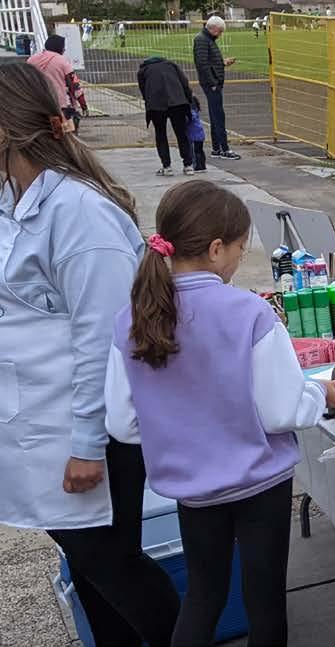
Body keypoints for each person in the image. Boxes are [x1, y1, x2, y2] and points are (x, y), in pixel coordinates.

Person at [106, 180, 335, 647]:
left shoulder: (131, 318)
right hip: (260, 484)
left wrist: (177, 429)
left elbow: (122, 422)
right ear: (217, 249)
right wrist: (321, 395)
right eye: (239, 249)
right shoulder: (249, 313)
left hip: (193, 490)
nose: (239, 259)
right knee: (265, 601)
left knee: (203, 595)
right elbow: (280, 411)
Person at [0, 62, 180, 647]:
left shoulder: (78, 213)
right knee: (91, 568)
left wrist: (85, 446)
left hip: (88, 435)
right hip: (38, 424)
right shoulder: (13, 200)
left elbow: (101, 340)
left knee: (114, 566)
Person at [137, 56, 197, 176]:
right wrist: (189, 99)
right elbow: (184, 83)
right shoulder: (171, 65)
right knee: (181, 133)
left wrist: (148, 101)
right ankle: (188, 165)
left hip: (156, 105)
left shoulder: (143, 70)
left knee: (160, 134)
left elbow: (143, 90)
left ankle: (166, 166)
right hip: (177, 102)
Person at [194, 16, 241, 161]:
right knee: (218, 116)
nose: (220, 35)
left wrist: (222, 62)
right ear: (213, 29)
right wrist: (213, 83)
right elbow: (202, 64)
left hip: (214, 83)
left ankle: (217, 148)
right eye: (220, 31)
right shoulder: (202, 40)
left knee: (216, 116)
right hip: (212, 84)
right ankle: (224, 148)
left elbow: (208, 61)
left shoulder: (207, 40)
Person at [27, 35, 86, 130]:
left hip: (37, 102)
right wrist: (83, 104)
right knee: (66, 131)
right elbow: (74, 85)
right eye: (63, 47)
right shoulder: (62, 61)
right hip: (59, 104)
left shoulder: (31, 60)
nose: (64, 49)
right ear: (59, 47)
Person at [188, 96, 209, 173]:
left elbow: (189, 120)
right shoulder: (196, 112)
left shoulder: (191, 113)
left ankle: (197, 166)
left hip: (194, 136)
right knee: (200, 151)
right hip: (200, 135)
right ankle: (202, 165)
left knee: (195, 151)